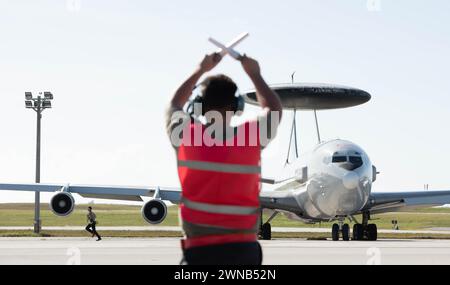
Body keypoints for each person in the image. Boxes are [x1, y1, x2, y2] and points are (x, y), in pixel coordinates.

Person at [166, 52, 282, 265]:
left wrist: (200, 69)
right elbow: (273, 109)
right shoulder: (251, 136)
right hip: (243, 250)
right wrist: (254, 74)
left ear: (199, 106)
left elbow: (174, 104)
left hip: (199, 251)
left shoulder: (185, 134)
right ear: (237, 106)